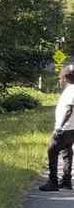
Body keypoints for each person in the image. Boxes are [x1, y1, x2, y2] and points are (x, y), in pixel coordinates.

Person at [39, 60, 74, 192]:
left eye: (59, 77)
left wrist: (59, 127)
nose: (59, 80)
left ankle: (53, 181)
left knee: (52, 151)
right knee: (66, 152)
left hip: (65, 128)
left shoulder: (71, 91)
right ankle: (66, 181)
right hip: (71, 128)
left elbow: (69, 110)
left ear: (65, 78)